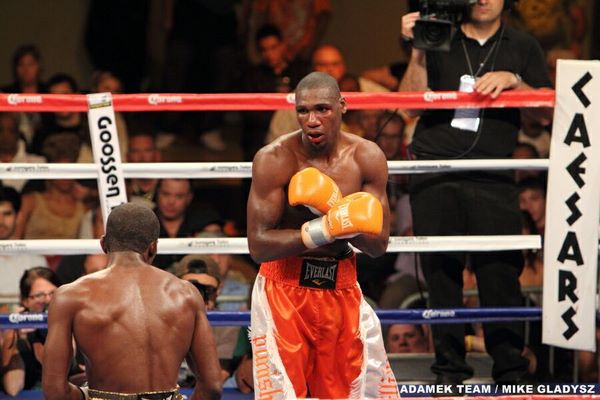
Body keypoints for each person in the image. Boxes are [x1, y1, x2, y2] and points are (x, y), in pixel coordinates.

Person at [399, 0, 552, 385]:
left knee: (500, 272)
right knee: (441, 274)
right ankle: (449, 372)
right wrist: (418, 48)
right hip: (435, 169)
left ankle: (511, 372)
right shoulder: (440, 35)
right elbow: (409, 107)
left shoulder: (523, 45)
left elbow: (546, 113)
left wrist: (515, 83)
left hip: (493, 173)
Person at [247, 71, 399, 399]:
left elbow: (378, 245)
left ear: (342, 106)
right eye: (303, 111)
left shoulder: (366, 157)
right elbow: (258, 245)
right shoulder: (275, 158)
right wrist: (325, 229)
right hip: (283, 291)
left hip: (341, 288)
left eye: (322, 109)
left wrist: (337, 214)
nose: (312, 120)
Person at [42, 203, 222, 400]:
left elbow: (55, 391)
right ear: (153, 247)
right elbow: (212, 386)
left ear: (103, 244)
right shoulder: (186, 294)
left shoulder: (71, 296)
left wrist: (87, 396)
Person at [2, 267, 61, 396]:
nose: (48, 299)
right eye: (39, 295)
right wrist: (19, 338)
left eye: (53, 293)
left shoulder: (72, 326)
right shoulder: (16, 334)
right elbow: (13, 388)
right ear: (25, 301)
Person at [0, 187, 48, 298]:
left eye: (7, 214)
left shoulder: (35, 260)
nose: (0, 221)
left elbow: (45, 301)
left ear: (18, 217)